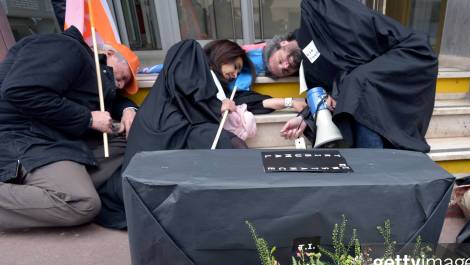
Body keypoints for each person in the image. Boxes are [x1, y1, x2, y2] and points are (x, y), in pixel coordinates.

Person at [95, 39, 306, 229]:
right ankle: (255, 204)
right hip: (166, 128)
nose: (235, 74)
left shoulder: (220, 88)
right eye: (235, 66)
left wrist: (289, 102)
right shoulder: (190, 52)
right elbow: (187, 88)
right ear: (223, 54)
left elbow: (252, 101)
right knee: (227, 144)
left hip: (187, 131)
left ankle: (252, 203)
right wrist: (216, 105)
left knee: (230, 143)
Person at [0, 26, 139, 230]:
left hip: (52, 139)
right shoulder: (66, 47)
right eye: (122, 78)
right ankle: (47, 188)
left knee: (130, 144)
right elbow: (21, 91)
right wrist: (88, 119)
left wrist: (129, 109)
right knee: (82, 203)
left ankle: (46, 186)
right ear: (109, 54)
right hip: (22, 137)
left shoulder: (90, 71)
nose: (119, 85)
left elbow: (113, 98)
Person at [276, 0, 438, 151]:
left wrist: (338, 90)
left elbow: (358, 46)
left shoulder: (314, 12)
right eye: (284, 71)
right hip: (370, 88)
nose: (286, 66)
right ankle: (371, 166)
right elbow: (319, 96)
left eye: (279, 60)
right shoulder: (310, 72)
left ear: (282, 44)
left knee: (356, 86)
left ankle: (372, 166)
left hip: (409, 53)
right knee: (354, 95)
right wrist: (304, 119)